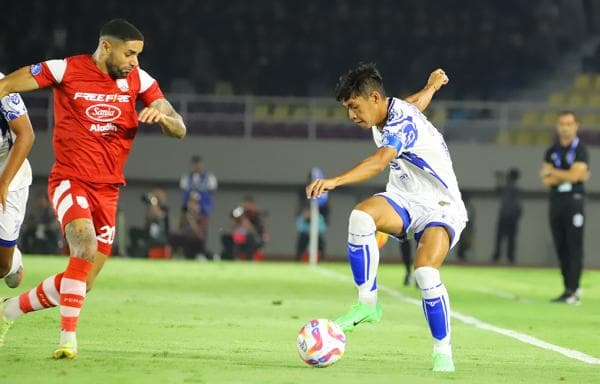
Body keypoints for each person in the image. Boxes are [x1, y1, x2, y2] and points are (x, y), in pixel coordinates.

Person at [0, 19, 186, 359]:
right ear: (106, 47)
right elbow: (8, 84)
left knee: (81, 283)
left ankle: (7, 311)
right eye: (129, 54)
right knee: (83, 246)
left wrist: (163, 119)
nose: (135, 62)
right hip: (70, 179)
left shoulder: (140, 81)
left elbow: (180, 128)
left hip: (109, 189)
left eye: (138, 55)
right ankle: (67, 341)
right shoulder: (65, 69)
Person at [306, 64, 466, 372]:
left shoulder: (399, 124)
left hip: (441, 206)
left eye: (354, 107)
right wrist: (431, 87)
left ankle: (442, 351)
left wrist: (334, 181)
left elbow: (380, 162)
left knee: (425, 274)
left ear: (374, 98)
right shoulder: (392, 110)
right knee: (361, 218)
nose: (352, 115)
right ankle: (367, 305)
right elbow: (415, 103)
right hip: (405, 199)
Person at [540, 111, 589, 305]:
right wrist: (569, 174)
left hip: (574, 201)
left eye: (569, 123)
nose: (565, 127)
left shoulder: (581, 150)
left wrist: (553, 171)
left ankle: (574, 289)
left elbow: (577, 177)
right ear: (557, 126)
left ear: (576, 126)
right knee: (560, 245)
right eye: (562, 123)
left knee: (574, 245)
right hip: (556, 201)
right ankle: (567, 288)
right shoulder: (551, 151)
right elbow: (545, 179)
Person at [0, 72, 35, 289]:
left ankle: (14, 262)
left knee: (2, 266)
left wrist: (3, 183)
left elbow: (26, 135)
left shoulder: (1, 84)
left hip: (9, 177)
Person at [491, 168, 522, 264]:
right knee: (504, 238)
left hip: (509, 216)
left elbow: (498, 190)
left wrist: (500, 179)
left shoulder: (512, 189)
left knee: (506, 238)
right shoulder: (512, 188)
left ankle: (505, 257)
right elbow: (497, 191)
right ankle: (504, 256)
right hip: (507, 216)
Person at [128, 188, 170, 257]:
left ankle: (137, 256)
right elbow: (148, 218)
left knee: (146, 245)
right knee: (132, 231)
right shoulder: (151, 206)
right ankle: (133, 251)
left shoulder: (165, 208)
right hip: (149, 232)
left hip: (160, 236)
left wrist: (153, 203)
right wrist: (151, 205)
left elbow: (159, 216)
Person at [169, 191, 207, 260]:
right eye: (191, 202)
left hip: (196, 248)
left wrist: (191, 220)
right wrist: (180, 218)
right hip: (183, 246)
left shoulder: (201, 217)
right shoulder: (182, 216)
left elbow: (200, 236)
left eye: (195, 203)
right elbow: (174, 231)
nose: (192, 205)